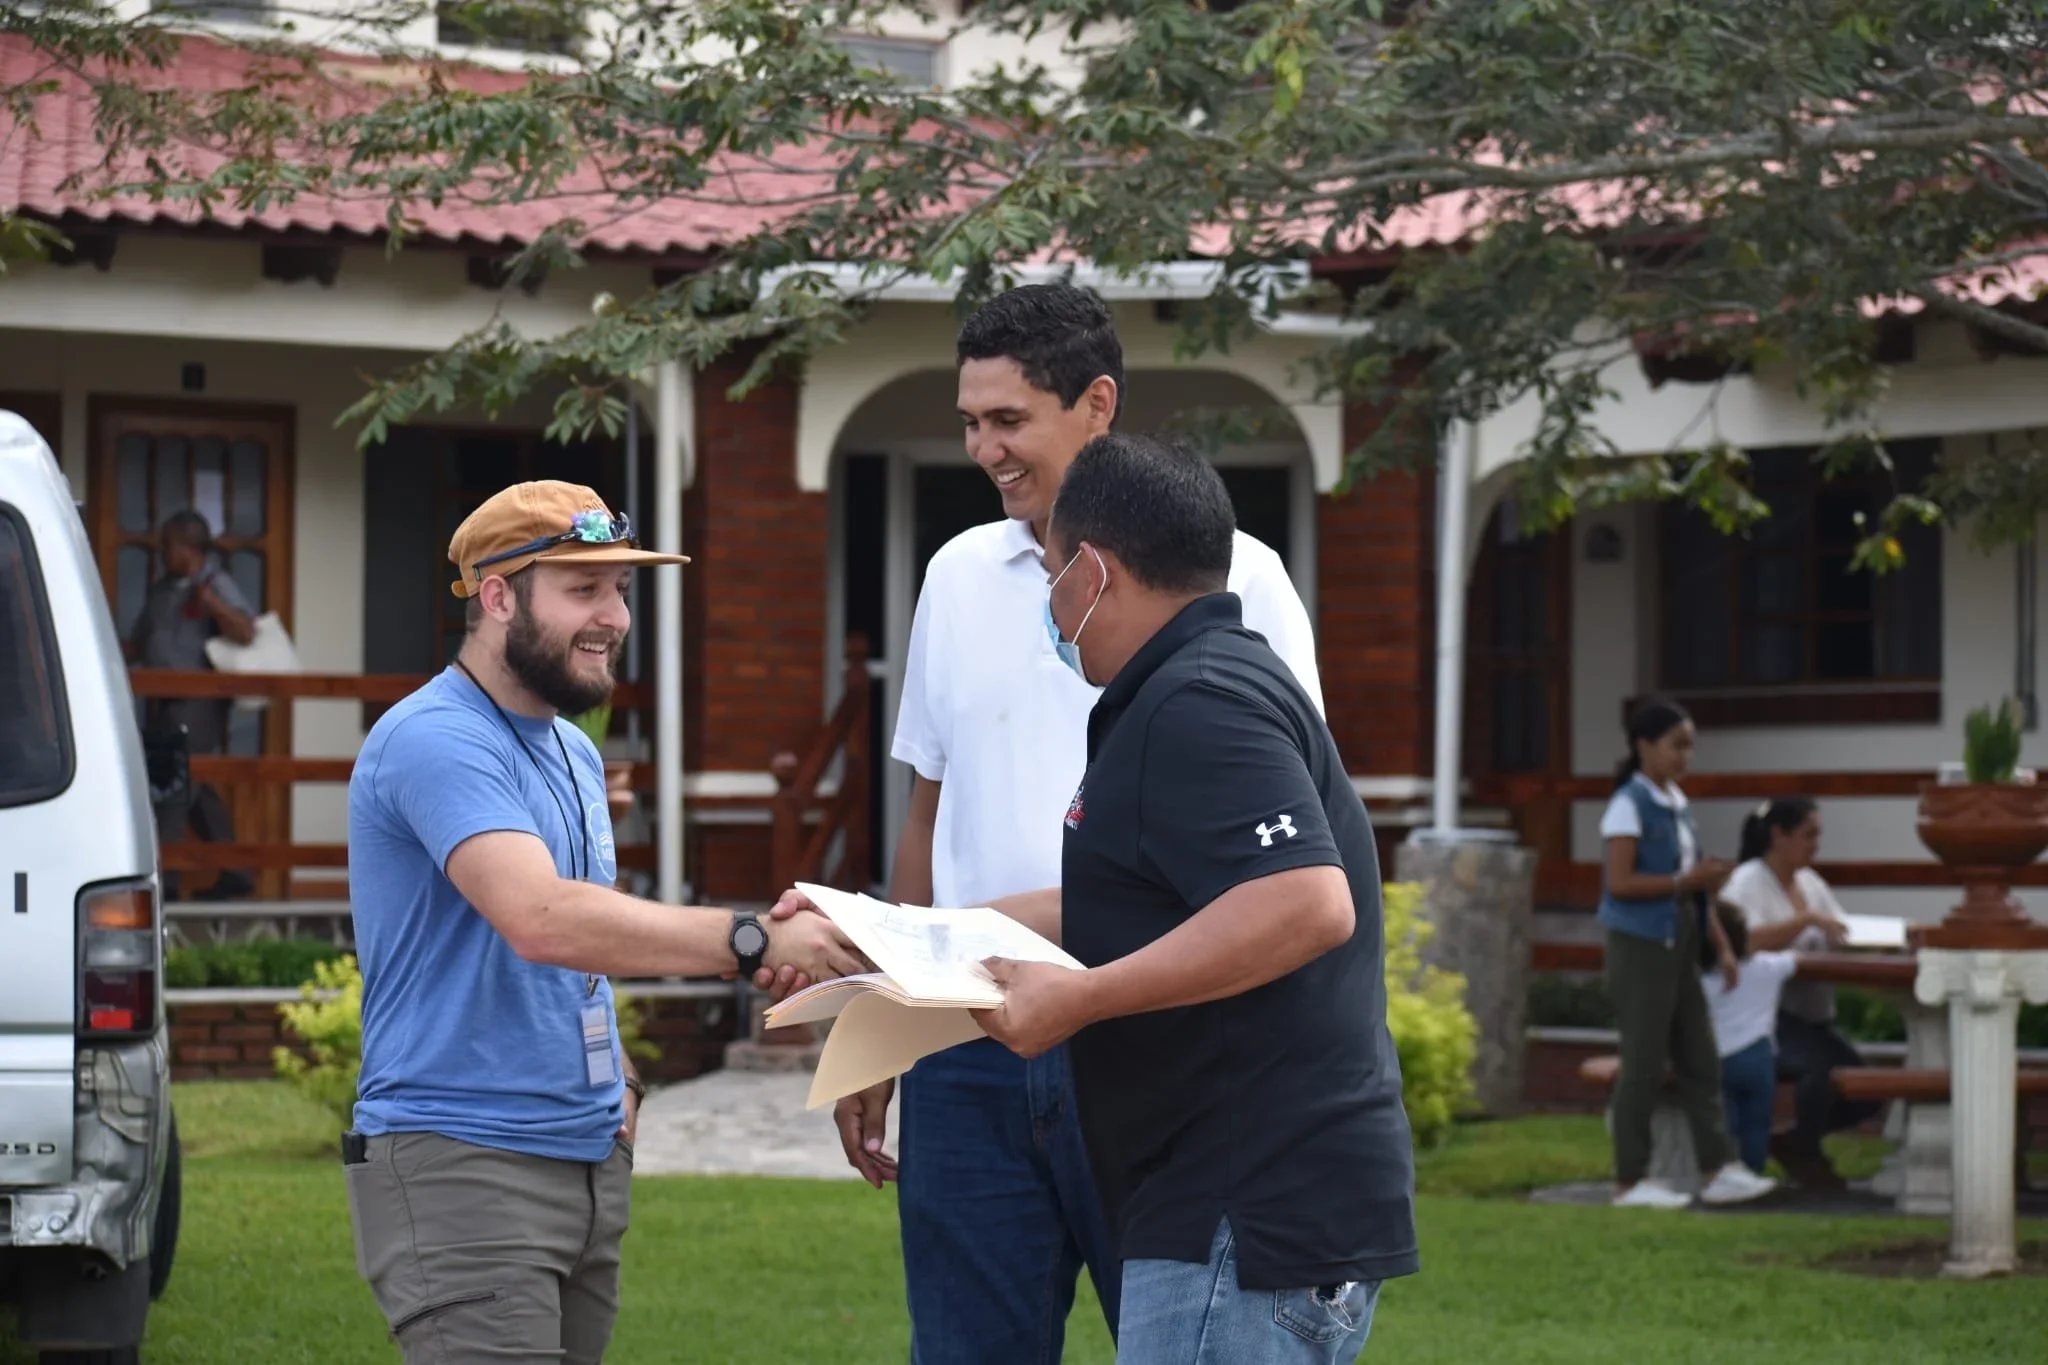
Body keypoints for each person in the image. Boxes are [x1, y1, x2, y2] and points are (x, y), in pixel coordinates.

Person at [838, 284, 1325, 1363]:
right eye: (968, 422)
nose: (981, 449)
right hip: (966, 1049)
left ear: (1095, 404)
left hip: (1151, 1040)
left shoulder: (1244, 580)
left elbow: (1284, 850)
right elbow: (929, 814)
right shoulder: (955, 576)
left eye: (1006, 420)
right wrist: (884, 1020)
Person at [343, 480, 864, 1363]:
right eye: (583, 588)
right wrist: (753, 940)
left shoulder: (576, 750)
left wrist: (616, 1084)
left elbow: (579, 948)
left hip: (584, 1156)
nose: (615, 616)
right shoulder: (434, 737)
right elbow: (543, 918)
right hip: (465, 1162)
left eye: (619, 589)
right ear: (498, 596)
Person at [969, 432, 1416, 1363]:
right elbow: (1134, 902)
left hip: (1242, 1207)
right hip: (1240, 1205)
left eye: (1050, 575)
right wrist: (900, 934)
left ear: (1090, 574)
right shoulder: (1208, 682)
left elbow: (1304, 900)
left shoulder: (1197, 699)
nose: (1049, 605)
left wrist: (1082, 997)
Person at [1598, 696, 1776, 1209]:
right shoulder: (1628, 804)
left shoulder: (1675, 801)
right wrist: (1685, 879)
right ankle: (1630, 1179)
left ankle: (1717, 1167)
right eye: (1676, 745)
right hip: (1641, 945)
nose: (1685, 756)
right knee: (1644, 1062)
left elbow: (1696, 890)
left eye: (1690, 746)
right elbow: (1621, 882)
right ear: (1644, 745)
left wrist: (1720, 944)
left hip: (1680, 941)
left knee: (1701, 1057)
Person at [1719, 797, 1879, 1187]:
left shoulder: (1810, 883)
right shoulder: (1748, 881)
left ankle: (1792, 1142)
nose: (1816, 844)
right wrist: (1803, 920)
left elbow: (1838, 929)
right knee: (1818, 1070)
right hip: (1767, 1016)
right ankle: (1807, 1159)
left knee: (1868, 1089)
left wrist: (1880, 943)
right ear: (1779, 835)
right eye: (1809, 835)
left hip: (1812, 1016)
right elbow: (1745, 940)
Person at [127, 509, 257, 900]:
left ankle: (165, 883)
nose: (162, 552)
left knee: (175, 786)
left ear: (189, 548)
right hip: (162, 701)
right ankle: (238, 873)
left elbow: (246, 630)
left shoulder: (215, 582)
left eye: (168, 544)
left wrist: (213, 605)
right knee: (195, 789)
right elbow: (138, 642)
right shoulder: (162, 588)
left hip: (197, 704)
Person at [1700, 903, 1800, 1176]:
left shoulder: (1699, 980)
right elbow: (1795, 960)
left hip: (1717, 1057)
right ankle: (1753, 1170)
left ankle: (1728, 1171)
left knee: (1726, 1121)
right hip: (1758, 1055)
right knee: (1757, 1123)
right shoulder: (1765, 968)